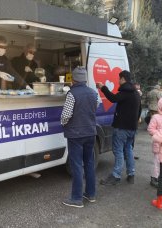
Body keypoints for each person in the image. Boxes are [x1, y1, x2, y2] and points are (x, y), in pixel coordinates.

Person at [61, 66, 98, 208]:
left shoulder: (72, 94)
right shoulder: (93, 93)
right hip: (90, 132)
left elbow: (66, 115)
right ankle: (90, 194)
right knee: (89, 163)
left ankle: (76, 198)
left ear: (73, 80)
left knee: (76, 165)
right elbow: (96, 107)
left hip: (76, 134)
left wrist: (63, 123)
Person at [96, 70, 141, 185]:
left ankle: (116, 175)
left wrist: (103, 87)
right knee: (128, 150)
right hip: (132, 128)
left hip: (122, 128)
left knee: (118, 151)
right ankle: (131, 174)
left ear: (123, 79)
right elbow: (139, 110)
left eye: (119, 78)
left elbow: (113, 98)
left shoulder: (125, 91)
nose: (118, 81)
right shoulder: (136, 92)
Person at [147, 98, 162, 188]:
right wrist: (159, 135)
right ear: (161, 107)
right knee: (157, 162)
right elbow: (150, 129)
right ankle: (154, 178)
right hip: (158, 144)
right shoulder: (156, 117)